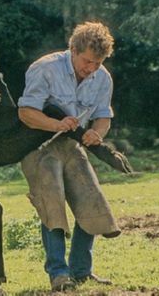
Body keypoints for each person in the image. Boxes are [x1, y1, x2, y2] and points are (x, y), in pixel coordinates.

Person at [18, 21, 121, 292]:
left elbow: (103, 118)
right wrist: (56, 124)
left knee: (91, 201)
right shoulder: (45, 68)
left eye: (97, 63)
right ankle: (59, 274)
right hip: (39, 146)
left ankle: (81, 271)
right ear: (73, 50)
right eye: (87, 61)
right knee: (52, 204)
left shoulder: (102, 77)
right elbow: (26, 113)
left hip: (73, 148)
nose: (91, 69)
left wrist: (96, 134)